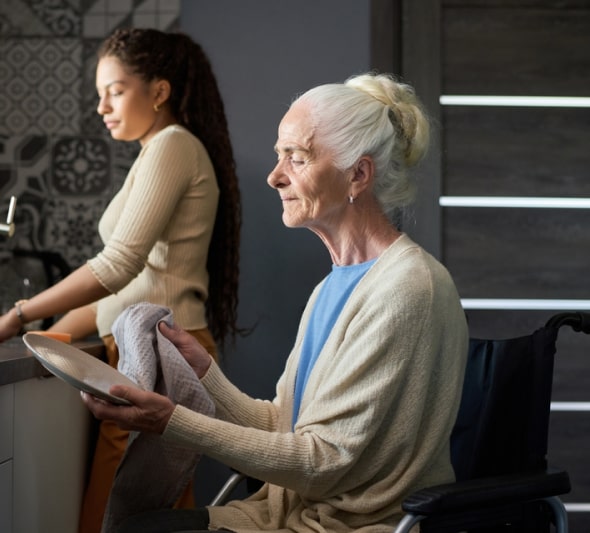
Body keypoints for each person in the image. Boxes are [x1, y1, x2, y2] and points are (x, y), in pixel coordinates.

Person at [82, 72, 469, 533]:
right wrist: (206, 376)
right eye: (278, 155)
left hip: (352, 526)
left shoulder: (409, 288)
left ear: (358, 174)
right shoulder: (333, 288)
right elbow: (286, 427)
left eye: (297, 158)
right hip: (289, 514)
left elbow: (323, 460)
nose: (274, 176)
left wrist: (172, 421)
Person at [0, 28, 241, 533]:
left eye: (115, 90)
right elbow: (128, 285)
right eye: (98, 94)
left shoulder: (172, 146)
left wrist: (17, 318)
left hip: (162, 352)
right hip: (144, 351)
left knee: (129, 510)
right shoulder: (159, 150)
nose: (101, 106)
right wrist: (47, 338)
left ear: (158, 91)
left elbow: (116, 268)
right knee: (143, 510)